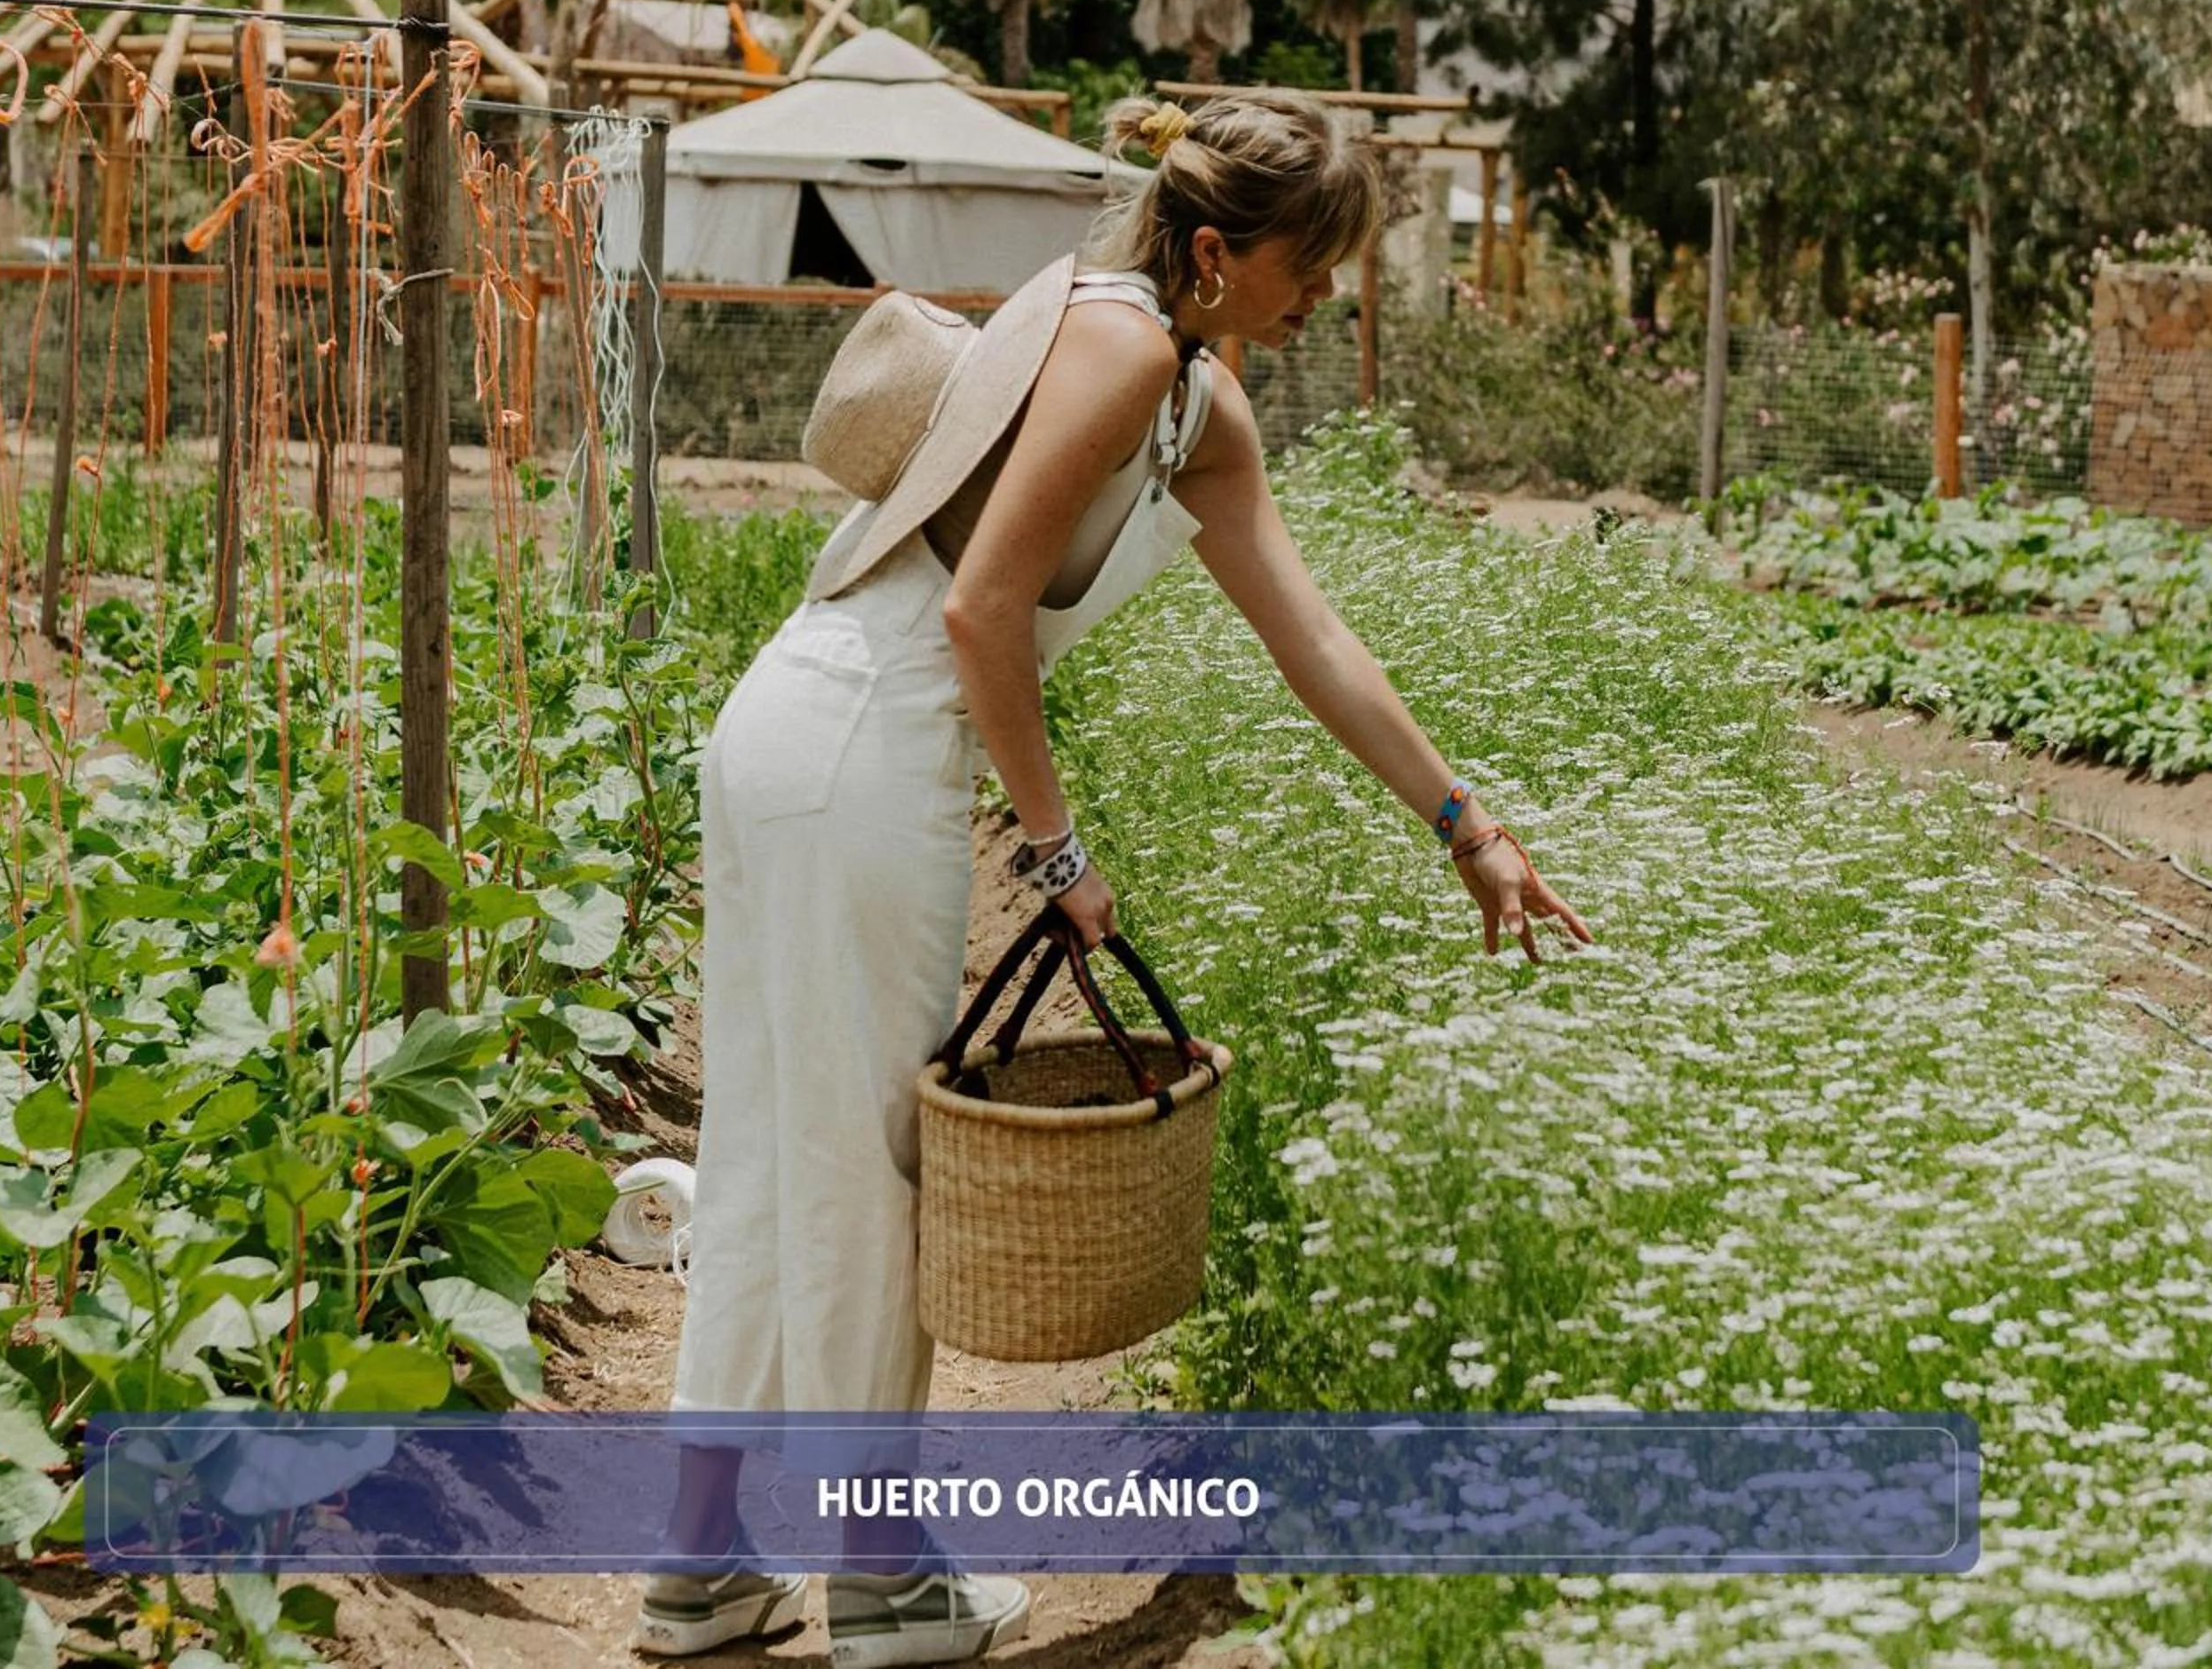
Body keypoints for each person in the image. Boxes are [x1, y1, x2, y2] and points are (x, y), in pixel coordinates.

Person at [630, 91, 1594, 1665]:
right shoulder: (1125, 343)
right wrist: (1056, 847)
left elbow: (1315, 639)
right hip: (861, 745)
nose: (1322, 297)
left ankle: (702, 1564)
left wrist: (1466, 825)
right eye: (1308, 266)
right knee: (872, 1176)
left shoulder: (1190, 393)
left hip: (795, 734)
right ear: (1215, 253)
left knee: (770, 1154)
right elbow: (981, 610)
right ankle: (880, 1577)